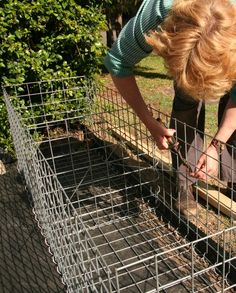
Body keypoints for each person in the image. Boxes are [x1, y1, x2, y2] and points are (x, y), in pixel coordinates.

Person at [104, 0, 236, 216]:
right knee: (186, 100)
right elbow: (117, 62)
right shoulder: (159, 12)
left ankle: (234, 179)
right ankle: (184, 183)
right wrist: (149, 122)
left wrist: (216, 146)